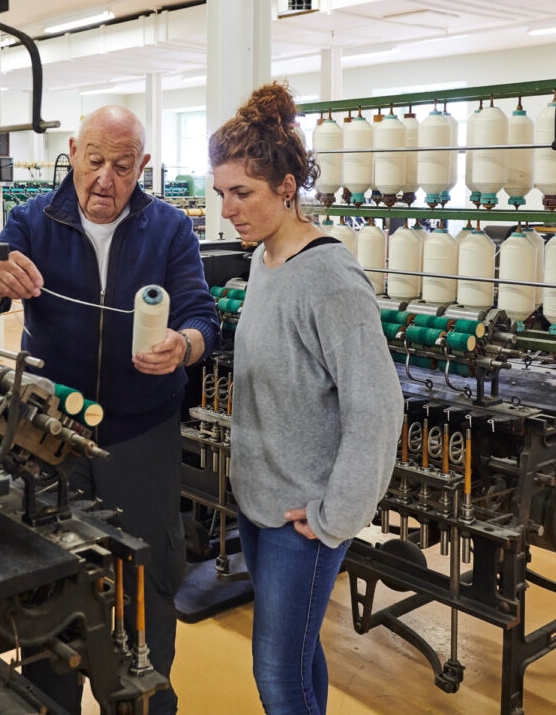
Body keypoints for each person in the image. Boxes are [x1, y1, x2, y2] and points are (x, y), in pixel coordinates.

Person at [0, 105, 219, 714]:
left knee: (148, 584)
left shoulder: (169, 230)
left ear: (145, 167)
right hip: (49, 438)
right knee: (50, 588)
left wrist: (184, 346)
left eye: (123, 166)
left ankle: (144, 701)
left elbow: (202, 315)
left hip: (141, 438)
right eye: (95, 161)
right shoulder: (30, 220)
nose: (106, 179)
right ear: (74, 151)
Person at [208, 82, 402, 715]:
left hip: (306, 520)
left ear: (287, 187)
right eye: (222, 194)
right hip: (263, 507)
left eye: (244, 194)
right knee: (298, 656)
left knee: (277, 677)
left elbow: (377, 406)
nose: (228, 210)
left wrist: (334, 515)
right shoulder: (265, 262)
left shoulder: (330, 276)